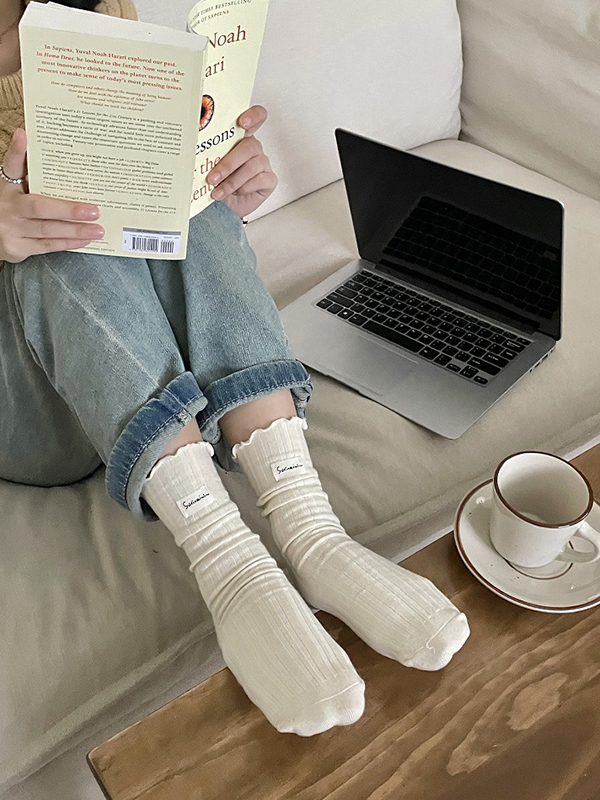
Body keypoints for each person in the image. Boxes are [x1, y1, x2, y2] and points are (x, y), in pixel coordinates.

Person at [0, 0, 470, 737]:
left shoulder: (96, 11)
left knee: (197, 203)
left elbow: (146, 208)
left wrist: (219, 178)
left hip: (114, 356)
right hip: (25, 405)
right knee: (61, 235)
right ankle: (229, 565)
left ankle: (311, 533)